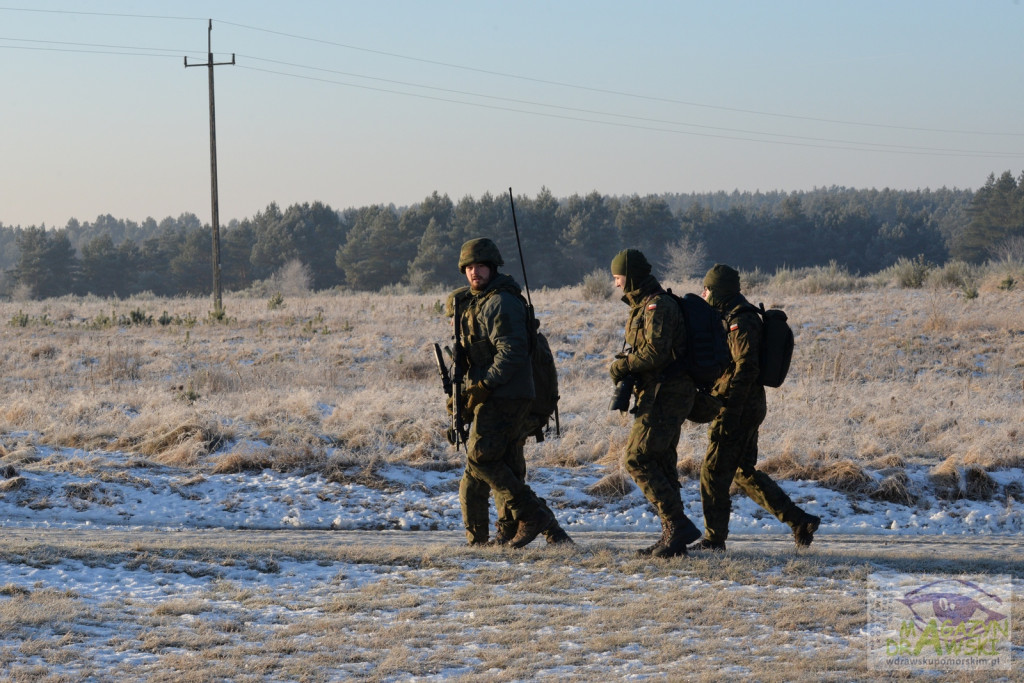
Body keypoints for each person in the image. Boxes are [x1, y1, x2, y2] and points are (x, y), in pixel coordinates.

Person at [450, 238, 571, 548]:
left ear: (492, 267)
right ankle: (525, 530)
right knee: (504, 467)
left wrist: (484, 386)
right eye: (469, 267)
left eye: (480, 266)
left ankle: (532, 516)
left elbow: (512, 352)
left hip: (507, 395)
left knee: (480, 458)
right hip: (497, 394)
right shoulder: (475, 302)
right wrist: (463, 395)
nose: (474, 272)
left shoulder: (500, 302)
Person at [692, 264, 821, 552]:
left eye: (708, 289)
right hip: (746, 405)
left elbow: (746, 368)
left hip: (739, 407)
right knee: (741, 471)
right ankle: (799, 520)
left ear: (719, 290)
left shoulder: (740, 320)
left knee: (713, 473)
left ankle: (713, 540)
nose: (704, 294)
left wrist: (730, 411)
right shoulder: (733, 314)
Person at [609, 249, 702, 558]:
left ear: (631, 277)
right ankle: (671, 538)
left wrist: (623, 366)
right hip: (661, 392)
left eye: (619, 278)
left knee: (638, 458)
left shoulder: (657, 306)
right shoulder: (643, 306)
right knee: (661, 462)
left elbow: (655, 354)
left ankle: (677, 525)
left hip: (668, 394)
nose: (617, 284)